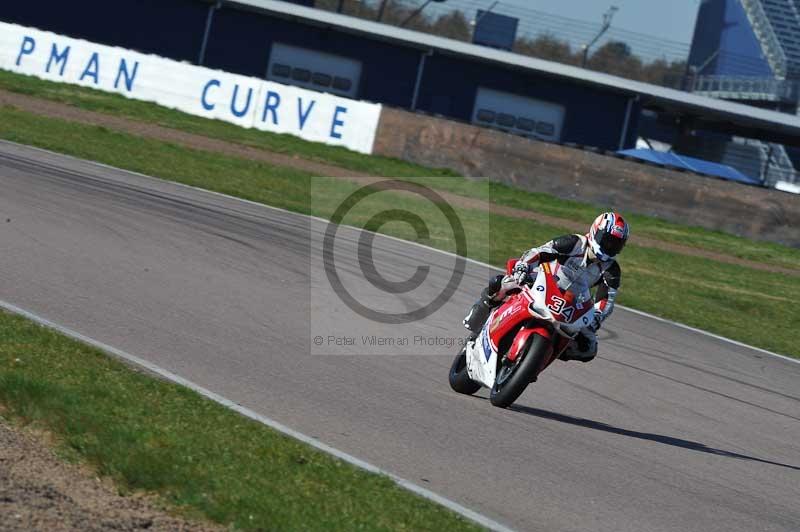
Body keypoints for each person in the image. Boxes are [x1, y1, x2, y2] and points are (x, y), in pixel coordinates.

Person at [462, 212, 629, 362]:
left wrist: (597, 317)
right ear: (596, 232)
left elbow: (607, 299)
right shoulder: (575, 243)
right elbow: (540, 251)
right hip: (543, 281)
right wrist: (523, 267)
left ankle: (550, 352)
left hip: (570, 304)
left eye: (616, 244)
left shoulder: (611, 269)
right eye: (607, 240)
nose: (610, 247)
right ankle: (481, 312)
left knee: (589, 348)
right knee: (501, 283)